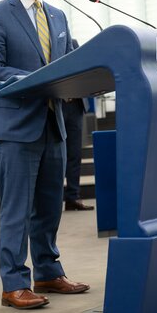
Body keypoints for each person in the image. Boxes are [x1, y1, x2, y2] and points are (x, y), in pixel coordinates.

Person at [0, 0, 90, 310]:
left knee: (49, 207)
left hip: (52, 125)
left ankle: (47, 271)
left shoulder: (57, 15)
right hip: (14, 129)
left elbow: (69, 62)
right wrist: (41, 79)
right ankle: (13, 285)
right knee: (17, 211)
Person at [63, 39, 94, 211]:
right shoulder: (45, 44)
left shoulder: (74, 44)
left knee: (74, 154)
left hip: (75, 106)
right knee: (56, 157)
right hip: (55, 105)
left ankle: (72, 197)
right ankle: (51, 201)